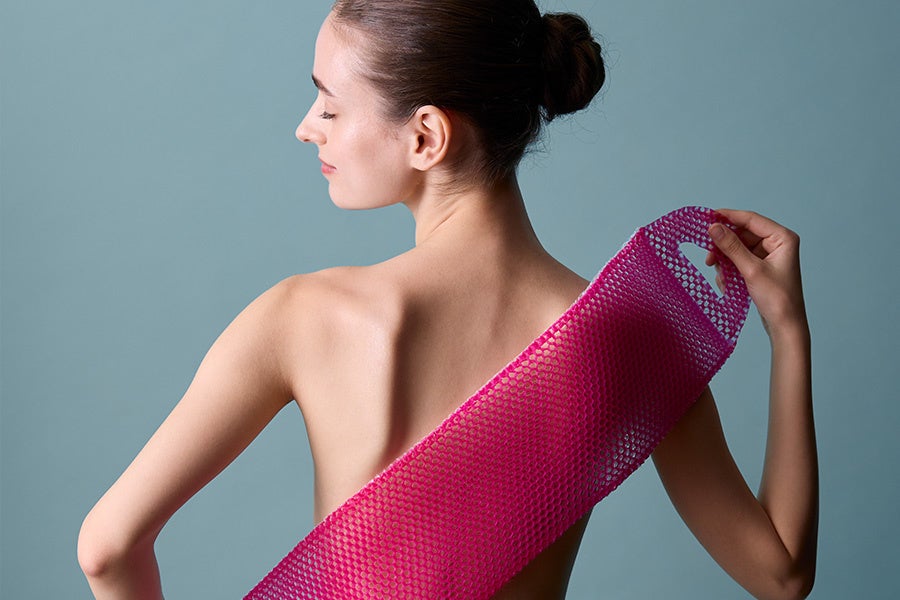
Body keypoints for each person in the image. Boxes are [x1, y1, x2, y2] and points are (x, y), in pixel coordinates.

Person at [77, 1, 818, 598]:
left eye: (329, 107)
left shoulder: (301, 318)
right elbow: (780, 576)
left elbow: (108, 548)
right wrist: (787, 334)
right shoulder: (628, 336)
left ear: (426, 136)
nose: (306, 129)